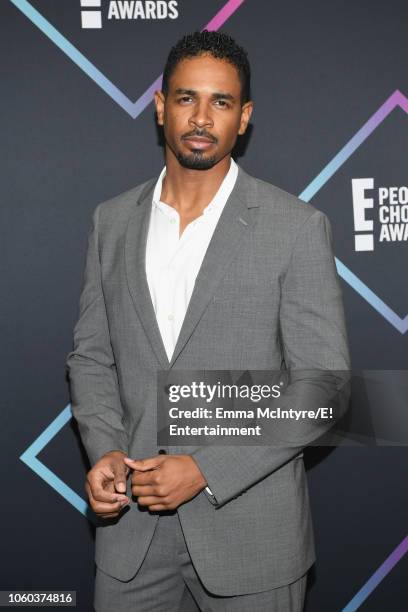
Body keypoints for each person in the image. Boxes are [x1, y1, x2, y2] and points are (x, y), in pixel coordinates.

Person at [66, 30, 351, 612]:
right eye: (186, 97)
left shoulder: (295, 227)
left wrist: (205, 469)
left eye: (220, 102)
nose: (201, 117)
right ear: (159, 106)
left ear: (243, 117)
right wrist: (106, 450)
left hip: (253, 537)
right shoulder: (112, 222)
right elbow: (92, 356)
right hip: (131, 542)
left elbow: (325, 387)